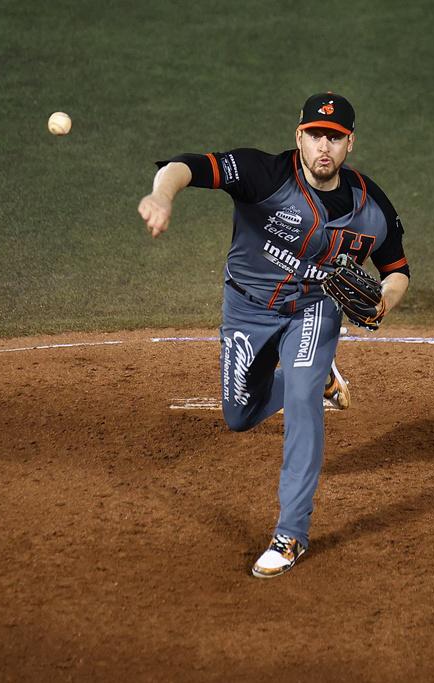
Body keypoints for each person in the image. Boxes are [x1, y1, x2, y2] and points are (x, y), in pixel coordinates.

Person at [137, 92, 410, 578]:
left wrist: (386, 297)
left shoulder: (373, 207)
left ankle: (290, 535)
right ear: (298, 137)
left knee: (304, 397)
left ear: (350, 145)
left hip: (315, 310)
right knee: (239, 415)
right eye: (315, 136)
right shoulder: (262, 174)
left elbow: (398, 269)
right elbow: (187, 166)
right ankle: (322, 379)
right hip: (246, 308)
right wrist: (162, 194)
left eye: (335, 138)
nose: (324, 147)